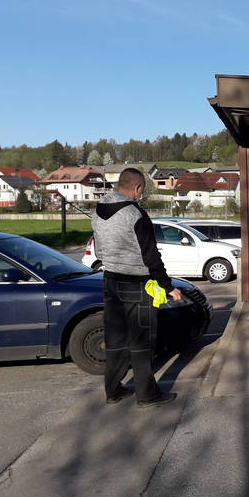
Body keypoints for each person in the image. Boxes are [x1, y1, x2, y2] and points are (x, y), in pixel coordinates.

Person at [92, 168, 181, 407]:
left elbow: (98, 250)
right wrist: (168, 286)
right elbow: (151, 256)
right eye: (141, 190)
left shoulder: (98, 211)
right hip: (136, 284)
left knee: (115, 338)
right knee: (141, 341)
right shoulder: (136, 215)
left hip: (110, 280)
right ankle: (146, 395)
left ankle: (113, 391)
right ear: (138, 188)